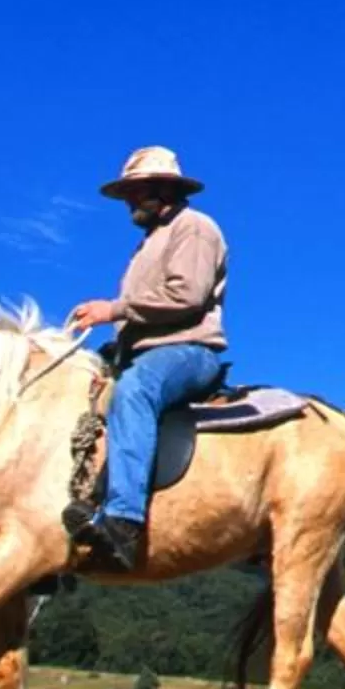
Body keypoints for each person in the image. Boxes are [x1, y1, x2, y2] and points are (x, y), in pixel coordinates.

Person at [61, 145, 230, 571]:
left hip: (189, 351)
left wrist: (112, 310)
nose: (131, 202)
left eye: (138, 191)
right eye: (128, 194)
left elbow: (187, 296)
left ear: (164, 188)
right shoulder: (149, 243)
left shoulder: (194, 228)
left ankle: (123, 521)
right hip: (142, 351)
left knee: (135, 390)